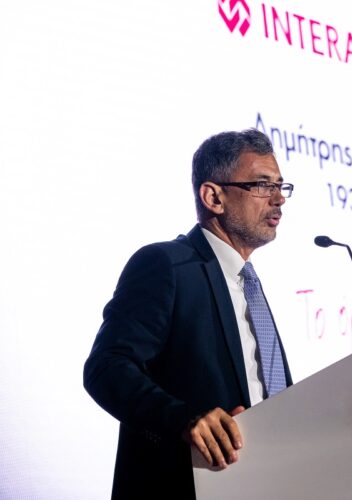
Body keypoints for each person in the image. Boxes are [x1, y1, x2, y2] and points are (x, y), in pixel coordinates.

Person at [83, 128, 294, 499]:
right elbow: (106, 367)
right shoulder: (165, 265)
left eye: (280, 186)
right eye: (262, 185)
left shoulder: (250, 284)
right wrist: (183, 420)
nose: (278, 199)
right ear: (213, 197)